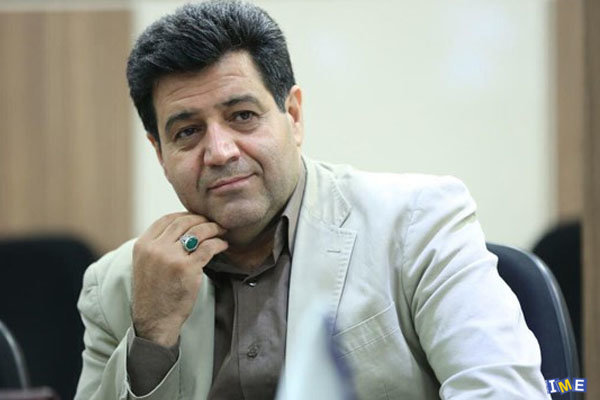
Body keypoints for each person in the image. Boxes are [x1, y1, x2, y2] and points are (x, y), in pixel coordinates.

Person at [74, 1, 550, 399]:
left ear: (294, 116)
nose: (219, 152)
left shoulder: (417, 223)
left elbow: (502, 390)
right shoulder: (118, 287)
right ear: (160, 153)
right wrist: (152, 336)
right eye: (187, 132)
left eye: (242, 116)